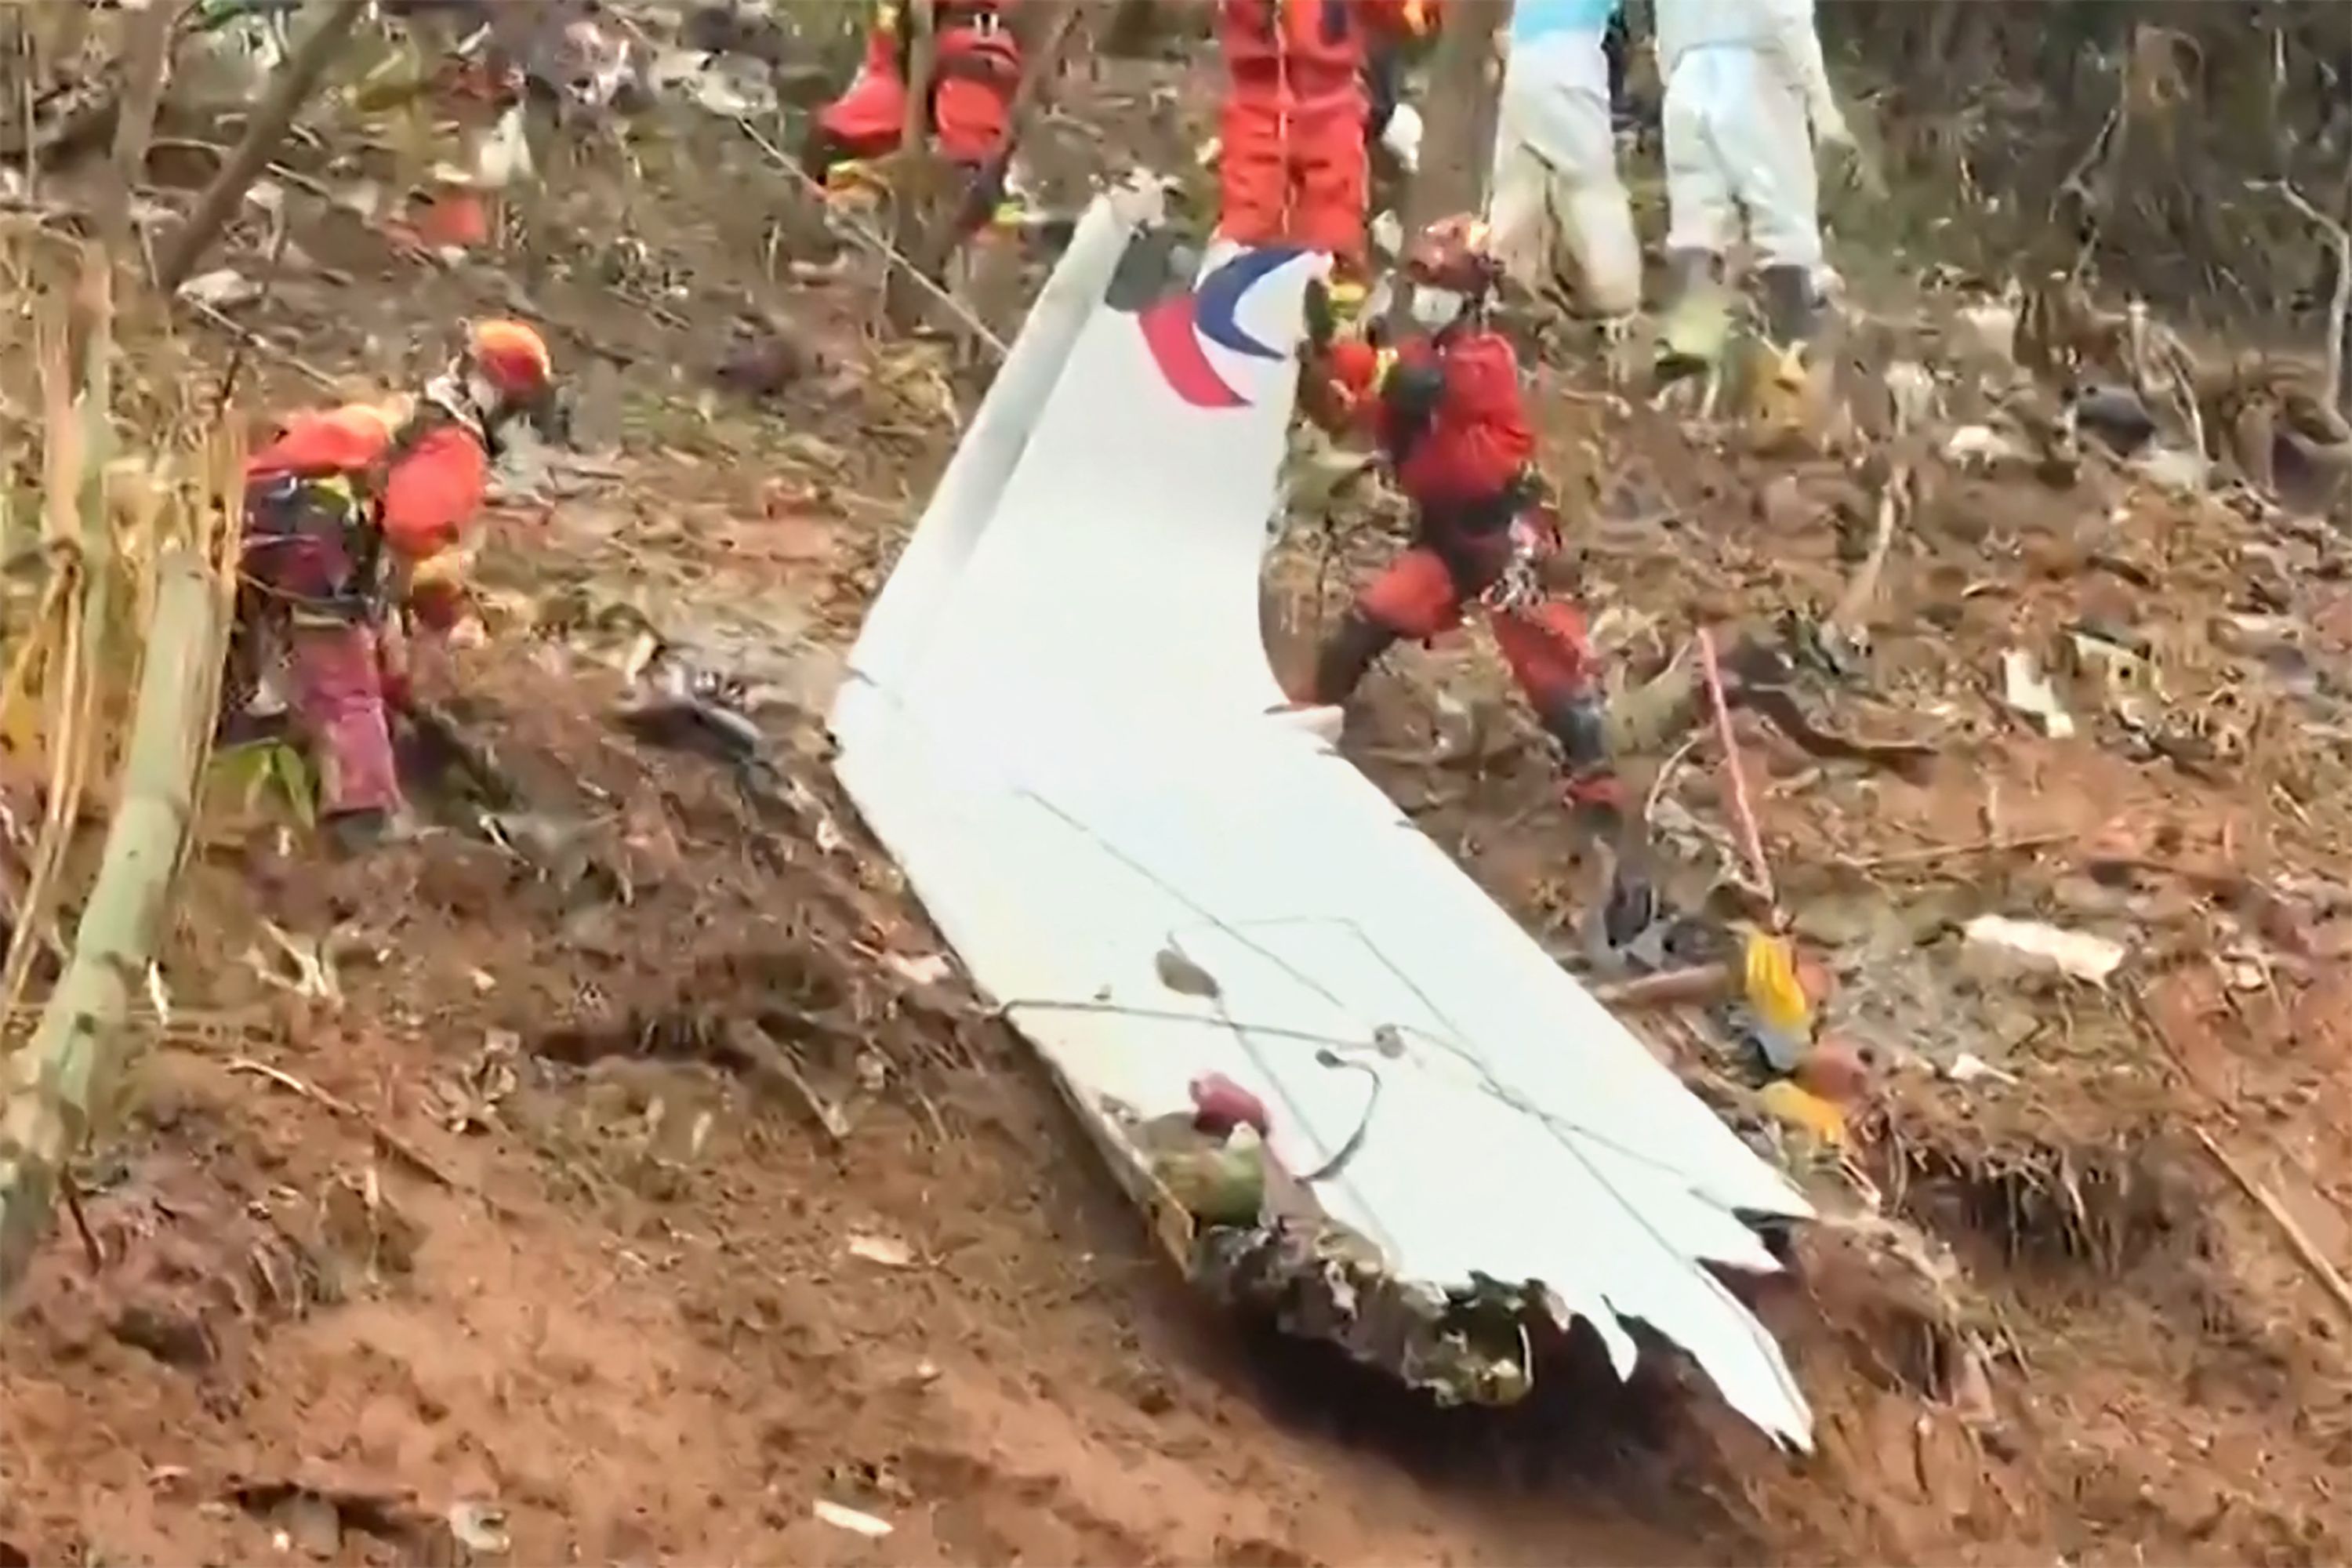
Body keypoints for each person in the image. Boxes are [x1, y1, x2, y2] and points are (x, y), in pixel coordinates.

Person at [1283, 217, 1626, 832]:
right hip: (1444, 539)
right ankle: (1305, 719)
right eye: (1420, 282)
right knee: (1370, 620)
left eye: (1437, 284)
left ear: (1469, 295)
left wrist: (1351, 355)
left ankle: (1599, 788)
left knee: (1552, 670)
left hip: (1506, 538)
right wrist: (1317, 370)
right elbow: (1356, 414)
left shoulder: (1486, 359)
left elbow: (1419, 387)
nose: (1424, 296)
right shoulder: (1417, 357)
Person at [234, 320, 562, 852]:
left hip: (258, 518)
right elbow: (409, 529)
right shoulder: (454, 448)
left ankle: (234, 732)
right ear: (501, 400)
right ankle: (364, 817)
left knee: (262, 649)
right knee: (347, 682)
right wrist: (413, 601)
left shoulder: (398, 420)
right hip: (319, 540)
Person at [1653, 0, 1850, 375]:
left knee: (1697, 210)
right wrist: (1820, 101)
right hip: (1756, 73)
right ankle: (1796, 346)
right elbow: (1786, 16)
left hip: (1687, 75)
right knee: (1783, 212)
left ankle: (1692, 336)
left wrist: (1674, 76)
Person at [1214, 0, 1437, 318]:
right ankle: (1241, 299)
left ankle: (1333, 316)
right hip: (1258, 109)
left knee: (1334, 234)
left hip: (1331, 109)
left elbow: (1399, 14)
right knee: (1248, 226)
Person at [803, 0, 1024, 233]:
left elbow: (921, 33)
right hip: (909, 65)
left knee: (969, 171)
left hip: (966, 59)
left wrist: (912, 146)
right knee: (829, 142)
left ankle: (999, 228)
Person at [1486, 0, 1639, 320]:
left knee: (1518, 183)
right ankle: (1614, 294)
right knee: (1588, 182)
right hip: (1571, 57)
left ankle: (1505, 280)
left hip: (1517, 57)